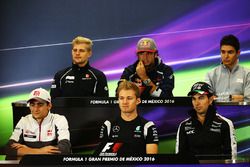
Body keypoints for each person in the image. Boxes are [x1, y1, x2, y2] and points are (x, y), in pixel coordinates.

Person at [95, 80, 159, 156]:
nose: (125, 102)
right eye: (121, 98)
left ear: (138, 101)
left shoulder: (148, 126)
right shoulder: (108, 125)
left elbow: (151, 161)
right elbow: (100, 158)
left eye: (129, 98)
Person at [175, 82, 237, 159]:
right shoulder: (184, 125)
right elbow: (180, 156)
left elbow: (231, 156)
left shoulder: (225, 123)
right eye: (194, 99)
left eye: (201, 98)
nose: (197, 103)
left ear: (210, 100)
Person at [5, 88, 71, 160]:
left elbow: (64, 149)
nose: (35, 109)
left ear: (49, 106)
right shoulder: (24, 121)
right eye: (32, 105)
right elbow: (9, 148)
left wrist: (27, 150)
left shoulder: (59, 119)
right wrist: (40, 151)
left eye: (40, 104)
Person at [205, 34, 250, 101]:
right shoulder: (211, 74)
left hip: (242, 111)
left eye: (230, 52)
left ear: (238, 53)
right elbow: (207, 99)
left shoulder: (247, 74)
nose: (226, 56)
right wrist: (232, 97)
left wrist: (217, 98)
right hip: (218, 111)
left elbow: (249, 100)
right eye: (223, 52)